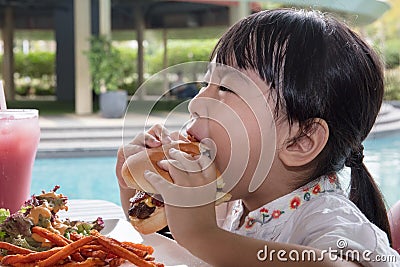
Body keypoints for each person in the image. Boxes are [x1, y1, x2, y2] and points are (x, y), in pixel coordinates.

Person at [116, 9, 400, 266]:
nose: (196, 103)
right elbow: (167, 249)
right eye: (207, 84)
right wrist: (140, 192)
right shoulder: (231, 205)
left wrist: (204, 236)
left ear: (300, 142)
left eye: (227, 89)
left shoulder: (327, 223)